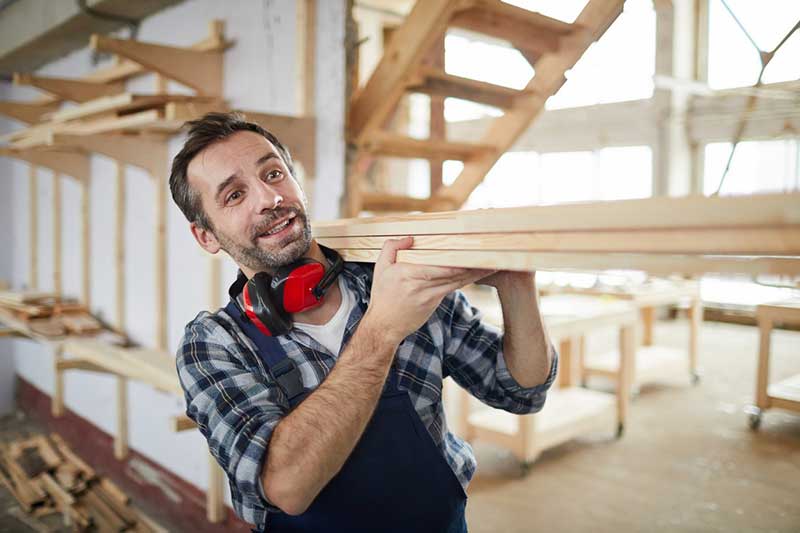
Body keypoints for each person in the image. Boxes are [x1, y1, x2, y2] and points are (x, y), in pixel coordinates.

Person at [170, 112, 558, 533]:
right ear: (205, 236)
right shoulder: (213, 344)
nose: (268, 198)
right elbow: (286, 485)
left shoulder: (398, 279)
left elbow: (521, 390)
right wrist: (382, 329)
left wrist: (517, 283)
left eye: (274, 173)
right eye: (234, 195)